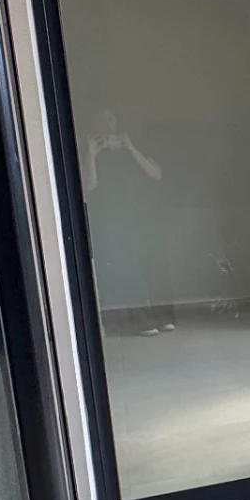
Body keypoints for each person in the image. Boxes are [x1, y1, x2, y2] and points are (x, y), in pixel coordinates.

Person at [82, 108, 176, 335]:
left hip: (145, 215)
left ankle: (163, 316)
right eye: (101, 119)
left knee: (155, 264)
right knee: (130, 268)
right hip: (115, 217)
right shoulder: (92, 150)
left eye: (111, 118)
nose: (107, 124)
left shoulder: (135, 145)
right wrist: (92, 154)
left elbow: (155, 174)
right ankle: (142, 320)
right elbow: (90, 185)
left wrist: (130, 147)